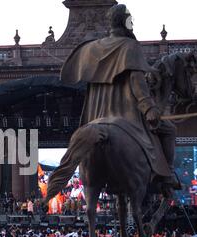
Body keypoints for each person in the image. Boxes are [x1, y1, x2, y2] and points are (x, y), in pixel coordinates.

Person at [60, 3, 180, 194]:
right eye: (130, 19)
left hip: (96, 113)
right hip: (126, 113)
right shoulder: (129, 46)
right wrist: (148, 107)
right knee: (169, 129)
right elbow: (136, 81)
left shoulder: (91, 49)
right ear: (124, 22)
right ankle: (167, 176)